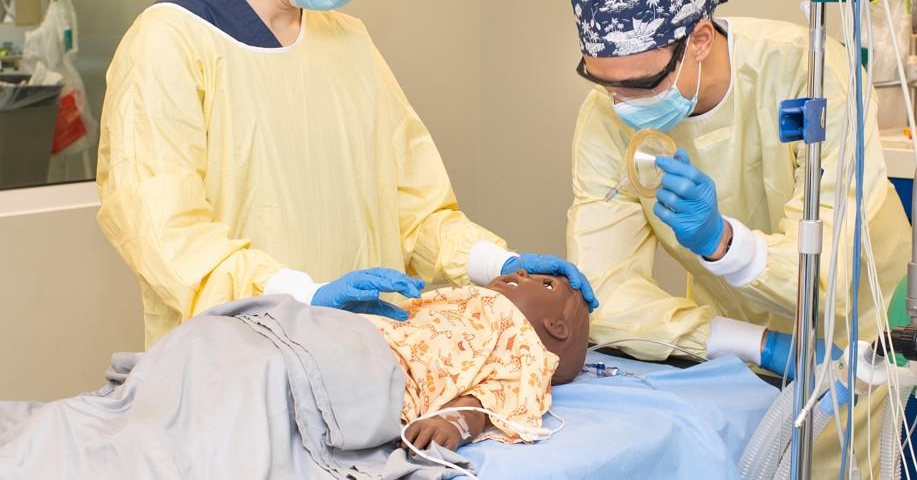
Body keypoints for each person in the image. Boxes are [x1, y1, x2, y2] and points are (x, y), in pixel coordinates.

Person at [96, 0, 595, 348]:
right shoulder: (171, 38)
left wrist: (498, 261)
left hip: (366, 358)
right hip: (236, 361)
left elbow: (416, 209)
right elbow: (161, 230)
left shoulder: (347, 41)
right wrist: (303, 295)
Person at [565, 0, 910, 475]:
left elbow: (824, 274)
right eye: (603, 83)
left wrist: (724, 244)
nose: (619, 105)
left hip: (857, 327)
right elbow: (602, 295)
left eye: (639, 85)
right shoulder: (606, 117)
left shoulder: (811, 74)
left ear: (699, 39)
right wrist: (752, 343)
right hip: (731, 338)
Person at [0, 271, 589, 478]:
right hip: (317, 338)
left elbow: (505, 397)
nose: (523, 273)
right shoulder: (456, 297)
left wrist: (457, 421)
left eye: (546, 284)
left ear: (557, 331)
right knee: (201, 362)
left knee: (220, 410)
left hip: (361, 371)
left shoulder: (515, 340)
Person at [369, 268, 590, 451]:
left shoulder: (520, 351)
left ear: (555, 327)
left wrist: (451, 424)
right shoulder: (464, 304)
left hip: (380, 372)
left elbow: (482, 404)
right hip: (363, 333)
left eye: (547, 284)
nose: (522, 271)